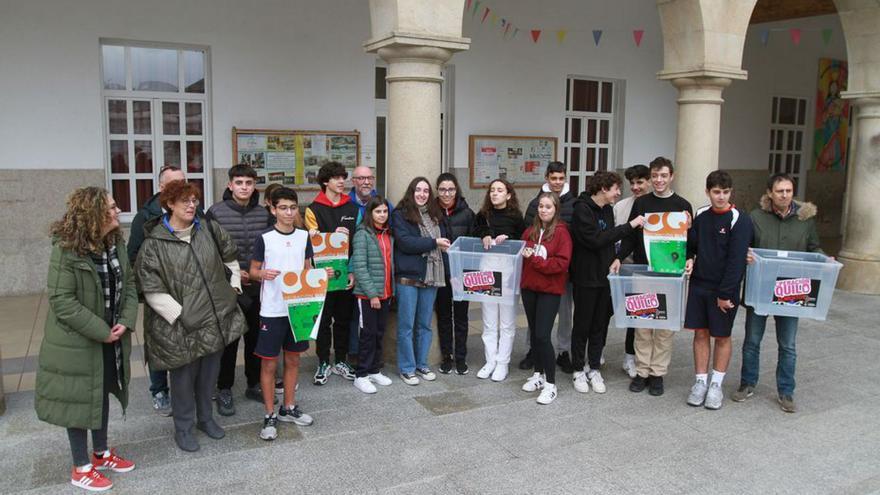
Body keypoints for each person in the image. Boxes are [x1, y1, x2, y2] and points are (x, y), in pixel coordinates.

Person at [36, 187, 138, 491]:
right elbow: (62, 300)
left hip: (110, 336)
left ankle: (101, 453)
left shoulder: (114, 242)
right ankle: (81, 467)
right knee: (79, 399)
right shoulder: (67, 248)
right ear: (93, 214)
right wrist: (101, 330)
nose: (118, 211)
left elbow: (129, 285)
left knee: (101, 390)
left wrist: (125, 321)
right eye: (111, 207)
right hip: (77, 341)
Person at [136, 180, 247, 452]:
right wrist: (180, 315)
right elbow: (150, 288)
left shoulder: (207, 228)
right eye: (184, 201)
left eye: (194, 200)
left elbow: (230, 255)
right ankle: (183, 428)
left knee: (209, 375)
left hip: (215, 318)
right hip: (180, 326)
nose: (191, 205)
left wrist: (233, 288)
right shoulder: (154, 243)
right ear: (169, 204)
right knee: (183, 380)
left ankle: (205, 419)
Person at [733, 172, 825, 413]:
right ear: (770, 193)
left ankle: (786, 391)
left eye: (789, 191)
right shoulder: (756, 217)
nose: (785, 195)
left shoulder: (805, 219)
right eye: (780, 191)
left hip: (791, 290)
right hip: (761, 288)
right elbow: (744, 246)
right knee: (752, 341)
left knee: (788, 344)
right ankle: (747, 383)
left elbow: (814, 247)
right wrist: (746, 254)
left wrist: (825, 259)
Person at [616, 157, 693, 396]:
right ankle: (642, 371)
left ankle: (658, 374)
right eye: (655, 176)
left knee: (664, 326)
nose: (659, 180)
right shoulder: (642, 204)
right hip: (643, 270)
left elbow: (690, 241)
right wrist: (619, 256)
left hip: (670, 274)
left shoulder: (683, 205)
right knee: (643, 324)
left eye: (663, 176)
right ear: (651, 178)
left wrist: (690, 258)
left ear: (672, 176)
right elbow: (631, 236)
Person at [249, 187, 316, 440]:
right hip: (273, 309)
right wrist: (261, 274)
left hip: (298, 307)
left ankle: (288, 406)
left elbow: (308, 269)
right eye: (283, 208)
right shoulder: (264, 238)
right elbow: (253, 270)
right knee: (269, 363)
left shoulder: (303, 237)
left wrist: (323, 276)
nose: (289, 212)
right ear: (273, 209)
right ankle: (269, 413)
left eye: (293, 207)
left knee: (294, 359)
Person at [206, 164, 272, 416]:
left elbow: (270, 247)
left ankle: (254, 383)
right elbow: (209, 252)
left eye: (249, 183)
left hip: (258, 287)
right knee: (229, 341)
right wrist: (233, 273)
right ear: (230, 185)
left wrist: (257, 271)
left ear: (254, 186)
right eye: (239, 182)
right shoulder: (215, 213)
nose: (244, 187)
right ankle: (224, 388)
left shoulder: (263, 213)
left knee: (256, 338)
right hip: (229, 288)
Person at [683, 171, 752, 410]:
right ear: (708, 192)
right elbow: (692, 245)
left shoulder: (739, 219)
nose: (721, 197)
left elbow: (736, 261)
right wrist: (690, 254)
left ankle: (716, 385)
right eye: (716, 192)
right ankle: (700, 382)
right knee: (700, 334)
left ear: (730, 192)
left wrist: (725, 294)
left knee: (722, 336)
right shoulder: (701, 214)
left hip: (724, 290)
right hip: (699, 284)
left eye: (725, 192)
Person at [572, 172, 645, 394]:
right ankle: (577, 370)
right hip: (585, 278)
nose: (618, 193)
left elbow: (609, 241)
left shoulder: (607, 209)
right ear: (604, 188)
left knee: (599, 326)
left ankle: (593, 368)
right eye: (615, 188)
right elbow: (596, 240)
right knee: (582, 326)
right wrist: (629, 226)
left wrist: (615, 260)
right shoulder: (581, 209)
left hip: (605, 278)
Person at [128, 164, 185, 417]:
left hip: (186, 288)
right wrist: (150, 287)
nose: (182, 187)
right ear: (162, 188)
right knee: (159, 340)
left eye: (184, 181)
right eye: (175, 183)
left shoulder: (195, 211)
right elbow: (134, 255)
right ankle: (159, 389)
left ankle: (185, 387)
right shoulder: (146, 217)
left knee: (184, 338)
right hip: (159, 290)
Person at [391, 177, 451, 385]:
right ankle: (407, 368)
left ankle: (421, 364)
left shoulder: (435, 216)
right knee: (406, 326)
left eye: (426, 191)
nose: (422, 194)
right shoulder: (400, 215)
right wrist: (434, 242)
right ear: (411, 191)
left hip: (431, 276)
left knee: (424, 325)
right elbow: (406, 243)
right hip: (408, 277)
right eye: (418, 190)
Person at [305, 162, 358, 385]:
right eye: (336, 178)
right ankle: (324, 361)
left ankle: (342, 360)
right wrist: (332, 237)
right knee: (324, 320)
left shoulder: (353, 208)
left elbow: (358, 242)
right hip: (322, 275)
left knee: (344, 320)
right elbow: (312, 241)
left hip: (345, 274)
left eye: (343, 177)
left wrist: (353, 271)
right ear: (326, 181)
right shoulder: (312, 209)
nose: (341, 181)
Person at [521, 161, 577, 373]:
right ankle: (532, 351)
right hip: (536, 270)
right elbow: (528, 230)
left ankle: (563, 351)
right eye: (553, 178)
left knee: (564, 313)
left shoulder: (573, 202)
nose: (557, 182)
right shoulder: (536, 202)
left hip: (562, 269)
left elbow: (573, 235)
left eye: (561, 178)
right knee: (535, 318)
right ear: (547, 178)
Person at [520, 192, 573, 405]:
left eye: (548, 207)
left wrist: (536, 260)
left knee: (543, 335)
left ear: (556, 210)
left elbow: (561, 264)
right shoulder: (530, 231)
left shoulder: (562, 233)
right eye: (541, 206)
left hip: (550, 291)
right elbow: (520, 252)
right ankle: (538, 374)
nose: (543, 210)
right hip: (529, 288)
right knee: (534, 334)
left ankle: (551, 385)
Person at [474, 179, 526, 382]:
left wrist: (509, 243)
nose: (495, 193)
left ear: (509, 195)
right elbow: (475, 230)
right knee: (488, 320)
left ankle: (502, 362)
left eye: (500, 190)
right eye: (492, 190)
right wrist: (485, 234)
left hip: (508, 270)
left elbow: (523, 240)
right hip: (486, 268)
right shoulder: (482, 215)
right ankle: (490, 361)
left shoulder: (516, 217)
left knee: (506, 321)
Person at [350, 196, 396, 393]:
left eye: (385, 211)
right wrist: (372, 294)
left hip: (385, 293)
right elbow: (360, 267)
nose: (382, 215)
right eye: (378, 211)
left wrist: (388, 292)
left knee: (379, 333)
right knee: (367, 335)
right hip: (368, 295)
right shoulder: (362, 234)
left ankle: (374, 370)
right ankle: (361, 374)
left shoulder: (387, 233)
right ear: (370, 213)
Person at [434, 172, 476, 375]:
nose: (446, 193)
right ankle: (446, 357)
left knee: (461, 317)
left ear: (456, 190)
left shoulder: (467, 213)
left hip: (461, 274)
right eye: (442, 189)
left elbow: (473, 244)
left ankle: (461, 357)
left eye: (450, 189)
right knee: (443, 317)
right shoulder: (431, 212)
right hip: (440, 273)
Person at [613, 164, 652, 379]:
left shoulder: (655, 204)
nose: (636, 187)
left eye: (640, 182)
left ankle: (631, 356)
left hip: (648, 268)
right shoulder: (621, 206)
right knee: (613, 309)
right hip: (624, 266)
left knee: (638, 313)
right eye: (633, 183)